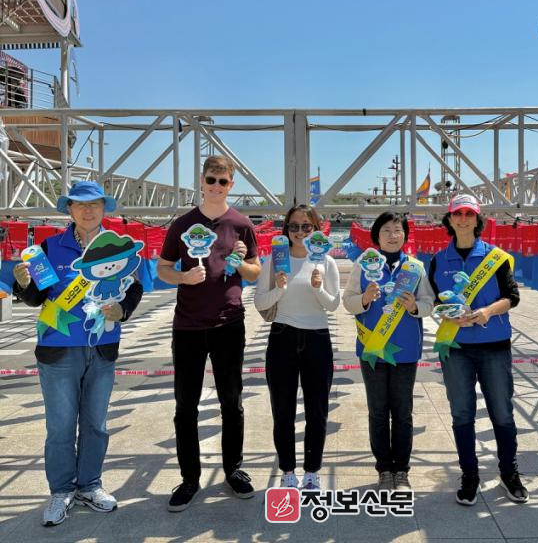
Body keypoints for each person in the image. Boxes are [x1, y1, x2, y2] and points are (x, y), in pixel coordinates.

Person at [12, 181, 143, 527]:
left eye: (94, 204)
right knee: (60, 426)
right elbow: (36, 298)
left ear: (104, 208)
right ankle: (60, 491)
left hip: (102, 346)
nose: (88, 210)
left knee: (96, 424)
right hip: (57, 348)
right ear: (69, 209)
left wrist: (124, 310)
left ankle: (90, 485)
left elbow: (135, 287)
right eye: (80, 204)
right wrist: (23, 284)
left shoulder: (118, 246)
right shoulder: (49, 247)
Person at [158, 155, 261, 511]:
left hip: (228, 323)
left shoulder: (241, 224)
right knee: (186, 405)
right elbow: (163, 267)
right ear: (201, 181)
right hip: (188, 325)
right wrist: (183, 277)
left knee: (231, 402)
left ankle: (233, 470)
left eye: (223, 181)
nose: (217, 186)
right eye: (211, 180)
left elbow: (255, 272)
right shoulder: (182, 224)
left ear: (232, 185)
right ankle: (190, 478)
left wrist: (242, 262)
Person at [428, 194, 528, 506]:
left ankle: (509, 473)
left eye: (468, 213)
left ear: (477, 219)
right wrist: (445, 314)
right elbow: (435, 301)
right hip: (455, 347)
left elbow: (512, 297)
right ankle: (469, 475)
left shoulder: (496, 258)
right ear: (449, 219)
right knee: (461, 413)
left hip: (494, 346)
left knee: (502, 411)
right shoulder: (438, 260)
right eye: (457, 213)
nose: (463, 219)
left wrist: (487, 312)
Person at [342, 212, 434, 492]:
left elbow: (429, 303)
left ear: (405, 234)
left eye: (398, 230)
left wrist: (415, 307)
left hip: (405, 351)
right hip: (373, 350)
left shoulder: (415, 268)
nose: (393, 235)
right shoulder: (363, 265)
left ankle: (401, 470)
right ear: (376, 236)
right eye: (386, 230)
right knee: (378, 412)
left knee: (403, 412)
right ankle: (384, 469)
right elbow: (348, 302)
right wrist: (364, 299)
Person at [254, 205, 340, 490]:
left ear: (316, 229)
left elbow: (333, 304)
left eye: (306, 226)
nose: (300, 232)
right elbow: (260, 302)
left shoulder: (326, 261)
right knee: (283, 410)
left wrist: (318, 288)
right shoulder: (274, 259)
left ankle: (312, 471)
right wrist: (279, 288)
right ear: (286, 229)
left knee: (317, 410)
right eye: (294, 226)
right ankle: (288, 471)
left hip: (317, 337)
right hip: (283, 336)